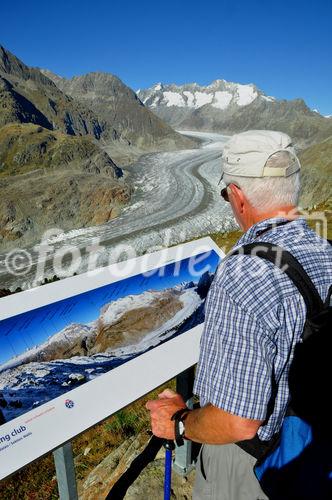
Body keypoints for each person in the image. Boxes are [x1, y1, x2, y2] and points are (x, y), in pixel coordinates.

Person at [146, 130, 332, 499]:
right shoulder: (324, 248)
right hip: (309, 437)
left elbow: (238, 422)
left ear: (239, 196)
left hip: (252, 464)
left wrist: (179, 424)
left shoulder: (243, 274)